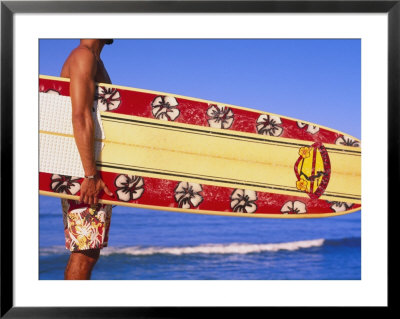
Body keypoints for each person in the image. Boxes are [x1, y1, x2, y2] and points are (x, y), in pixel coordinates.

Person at [60, 39, 114, 279]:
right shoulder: (84, 56)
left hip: (89, 169)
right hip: (82, 171)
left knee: (89, 250)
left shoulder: (94, 58)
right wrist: (90, 175)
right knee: (85, 252)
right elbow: (80, 116)